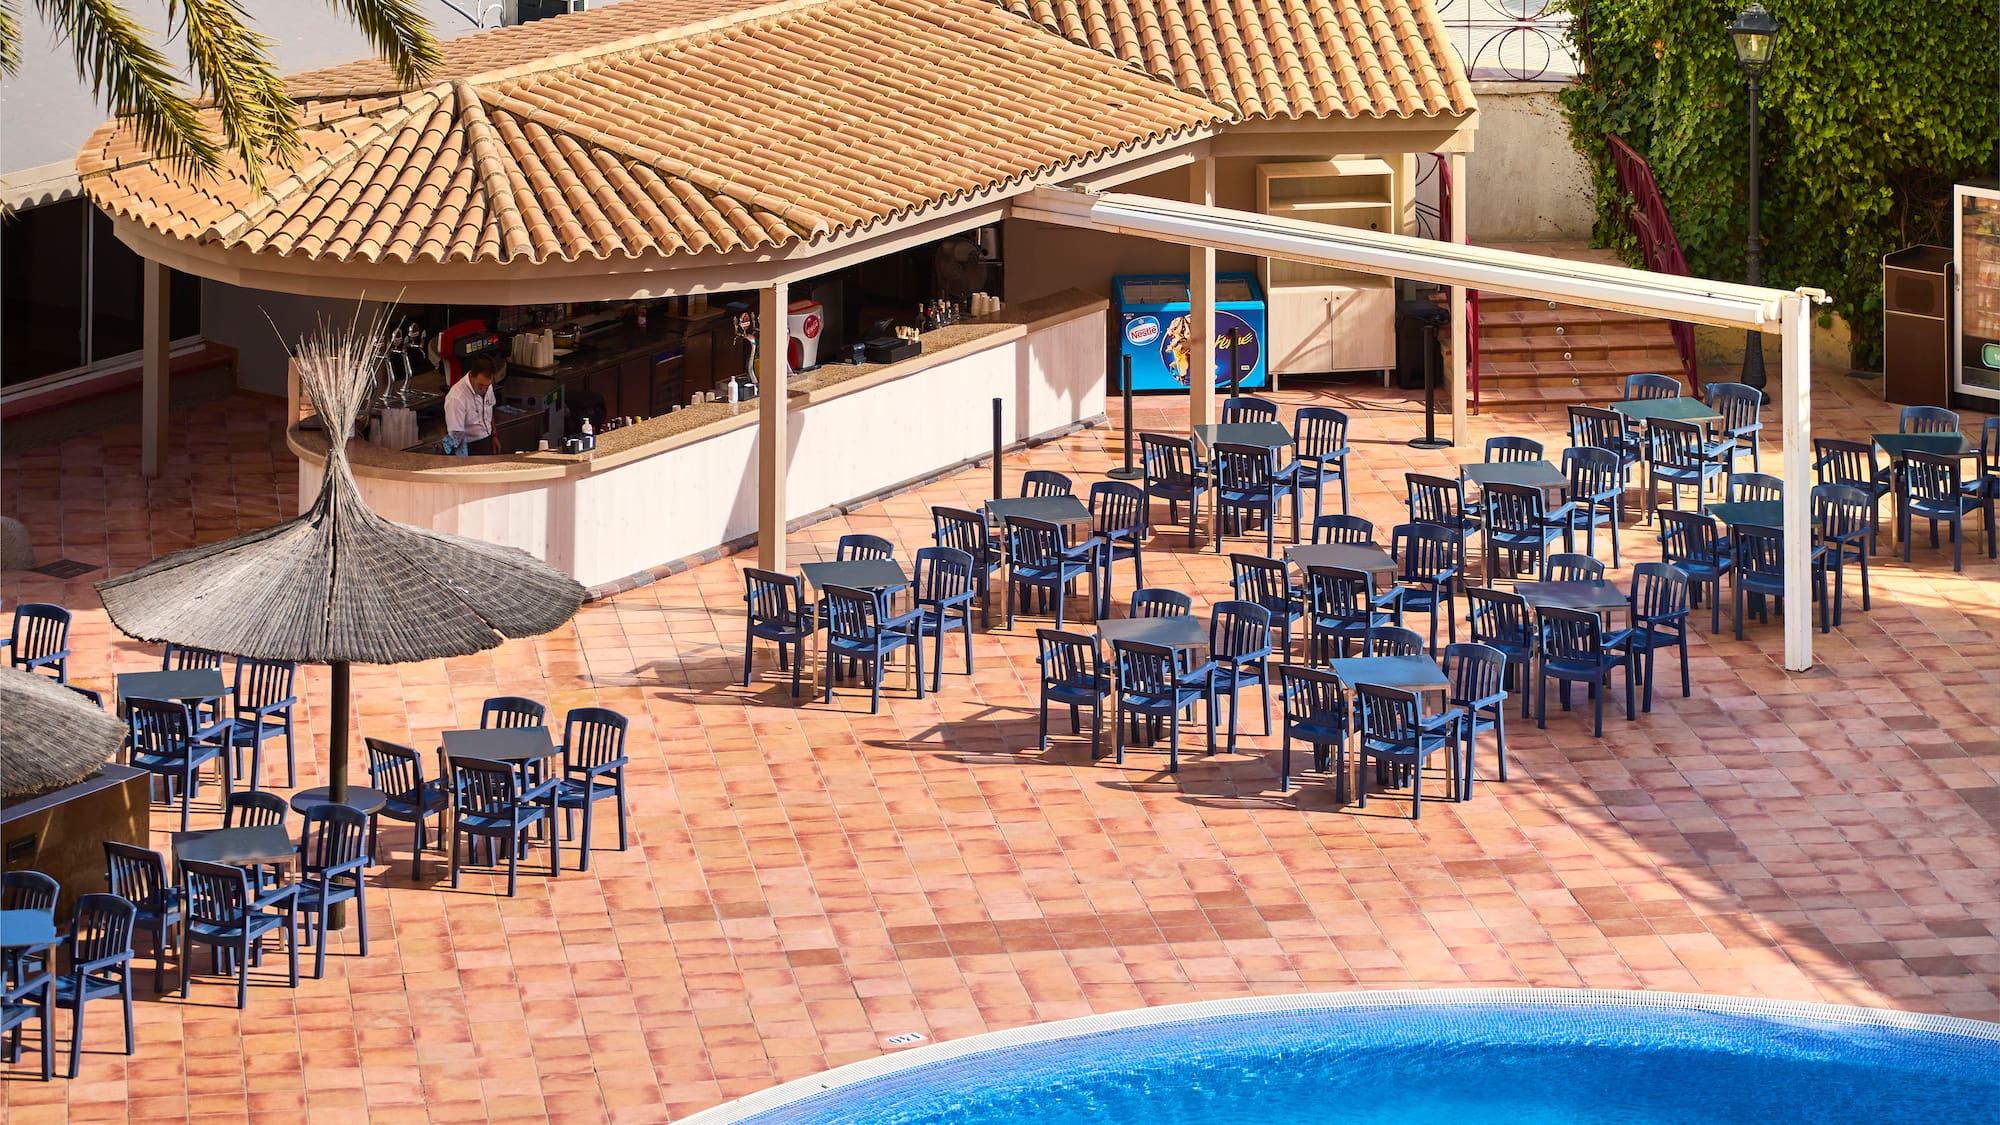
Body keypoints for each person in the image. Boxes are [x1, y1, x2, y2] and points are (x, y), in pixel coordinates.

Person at [444, 354, 501, 454]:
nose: (484, 390)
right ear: (471, 376)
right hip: (469, 447)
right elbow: (456, 436)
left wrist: (494, 436)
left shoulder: (487, 386)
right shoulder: (456, 398)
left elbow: (489, 411)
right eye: (480, 386)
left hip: (487, 440)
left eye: (487, 386)